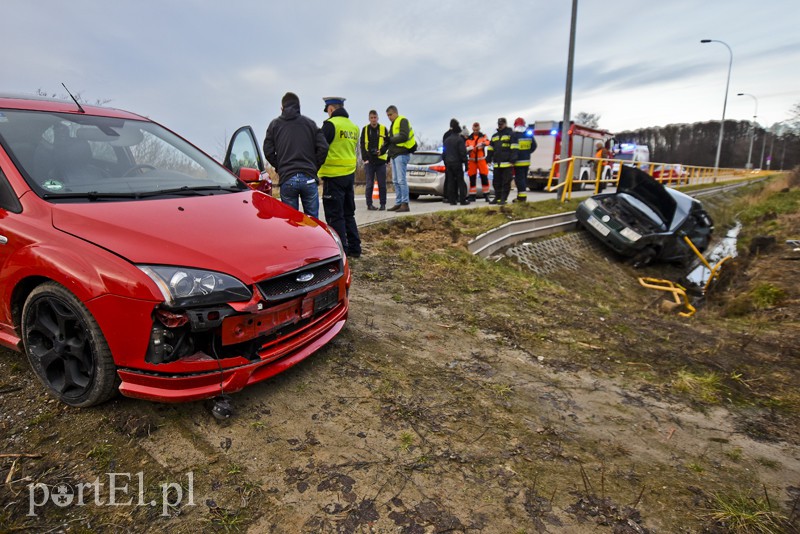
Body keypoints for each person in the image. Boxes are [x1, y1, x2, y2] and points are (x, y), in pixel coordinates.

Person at [263, 92, 328, 218]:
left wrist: (280, 166)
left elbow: (268, 150)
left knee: (290, 222)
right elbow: (323, 147)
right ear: (299, 106)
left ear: (282, 108)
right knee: (313, 223)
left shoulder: (275, 125)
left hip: (287, 178)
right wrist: (314, 166)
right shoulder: (310, 124)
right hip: (309, 177)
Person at [319, 96, 362, 258]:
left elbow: (320, 147)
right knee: (348, 213)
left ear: (331, 109)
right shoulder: (354, 127)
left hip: (333, 176)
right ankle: (355, 248)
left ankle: (340, 251)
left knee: (335, 216)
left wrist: (316, 167)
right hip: (349, 176)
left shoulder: (330, 125)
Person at [381, 105, 416, 212]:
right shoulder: (393, 124)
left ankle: (405, 204)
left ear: (395, 113)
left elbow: (404, 136)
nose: (389, 117)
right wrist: (385, 153)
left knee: (401, 180)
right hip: (395, 155)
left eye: (390, 115)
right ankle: (399, 202)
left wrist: (390, 139)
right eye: (388, 116)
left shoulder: (402, 121)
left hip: (402, 153)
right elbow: (391, 142)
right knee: (396, 181)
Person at [360, 110, 388, 210]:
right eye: (371, 118)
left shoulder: (383, 129)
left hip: (380, 161)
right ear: (369, 118)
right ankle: (369, 204)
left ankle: (383, 204)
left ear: (377, 118)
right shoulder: (365, 129)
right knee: (369, 184)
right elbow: (362, 144)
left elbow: (387, 143)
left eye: (375, 117)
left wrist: (381, 152)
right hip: (369, 161)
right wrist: (365, 158)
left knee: (382, 184)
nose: (373, 120)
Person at [486, 117, 515, 205]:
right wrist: (488, 158)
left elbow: (514, 148)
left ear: (505, 124)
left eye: (501, 124)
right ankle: (497, 198)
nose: (500, 126)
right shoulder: (495, 136)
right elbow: (490, 148)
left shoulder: (510, 134)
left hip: (507, 164)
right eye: (499, 124)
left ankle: (503, 199)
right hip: (497, 164)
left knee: (506, 182)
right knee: (496, 182)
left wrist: (512, 160)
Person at [442, 119, 468, 205]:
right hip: (457, 163)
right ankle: (463, 200)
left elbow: (444, 154)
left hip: (449, 163)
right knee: (460, 181)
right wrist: (466, 163)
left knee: (450, 182)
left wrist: (446, 163)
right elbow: (462, 153)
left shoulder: (446, 140)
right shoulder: (459, 140)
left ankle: (452, 200)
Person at [511, 118, 537, 202]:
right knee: (523, 179)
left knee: (519, 180)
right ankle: (521, 197)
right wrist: (527, 153)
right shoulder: (528, 135)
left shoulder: (515, 135)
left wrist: (512, 160)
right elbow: (534, 146)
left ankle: (521, 198)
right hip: (526, 161)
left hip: (518, 162)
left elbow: (514, 149)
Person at [465, 122, 491, 202]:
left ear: (479, 129)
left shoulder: (483, 136)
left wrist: (482, 144)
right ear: (473, 129)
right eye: (474, 129)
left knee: (484, 177)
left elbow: (488, 142)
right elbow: (464, 148)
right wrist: (468, 148)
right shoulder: (469, 138)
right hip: (472, 160)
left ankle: (486, 195)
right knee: (472, 177)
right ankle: (472, 196)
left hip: (481, 160)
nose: (476, 131)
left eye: (477, 129)